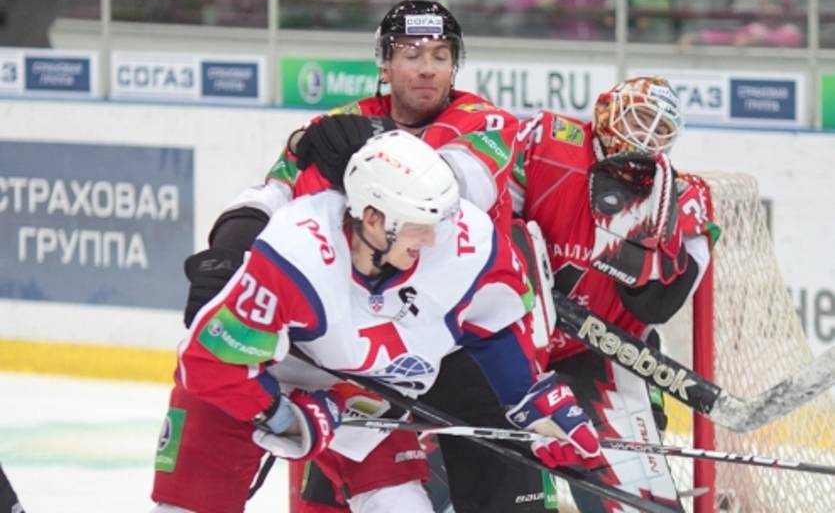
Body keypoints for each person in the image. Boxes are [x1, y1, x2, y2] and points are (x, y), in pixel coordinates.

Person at [175, 0, 558, 513]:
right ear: (384, 64)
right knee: (358, 494)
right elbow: (276, 196)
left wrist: (365, 146)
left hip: (463, 339)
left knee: (505, 501)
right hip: (372, 341)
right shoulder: (339, 123)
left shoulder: (486, 122)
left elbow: (450, 188)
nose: (427, 68)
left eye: (441, 55)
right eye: (411, 54)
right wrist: (228, 253)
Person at [151, 131, 603, 512]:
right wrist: (286, 419)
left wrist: (531, 402)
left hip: (357, 398)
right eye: (418, 224)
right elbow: (210, 364)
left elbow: (492, 323)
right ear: (371, 218)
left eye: (439, 220)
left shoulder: (462, 242)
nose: (432, 239)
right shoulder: (298, 253)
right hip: (248, 385)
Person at [510, 76, 717, 510]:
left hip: (602, 354)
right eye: (639, 118)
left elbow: (658, 307)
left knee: (633, 504)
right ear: (607, 110)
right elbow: (484, 220)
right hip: (508, 346)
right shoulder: (546, 140)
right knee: (488, 492)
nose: (646, 137)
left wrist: (653, 252)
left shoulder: (681, 195)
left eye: (660, 130)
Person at [677, 0, 802, 48]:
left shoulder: (792, 31)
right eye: (764, 4)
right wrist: (697, 37)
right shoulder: (754, 29)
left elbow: (788, 41)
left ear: (785, 9)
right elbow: (727, 37)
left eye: (773, 4)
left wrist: (759, 41)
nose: (767, 9)